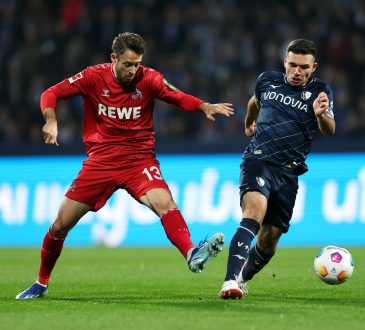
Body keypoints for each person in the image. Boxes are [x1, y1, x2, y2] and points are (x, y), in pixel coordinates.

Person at [16, 32, 234, 299]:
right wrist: (50, 119)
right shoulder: (93, 77)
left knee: (165, 204)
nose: (133, 70)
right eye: (128, 64)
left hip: (138, 159)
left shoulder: (150, 78)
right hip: (101, 161)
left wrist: (203, 106)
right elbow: (51, 93)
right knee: (60, 225)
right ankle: (41, 283)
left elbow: (177, 96)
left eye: (137, 64)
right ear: (113, 59)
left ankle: (191, 253)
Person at [218, 39, 335, 300]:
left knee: (268, 243)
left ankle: (242, 277)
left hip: (289, 173)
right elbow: (253, 102)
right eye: (292, 64)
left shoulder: (320, 92)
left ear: (313, 67)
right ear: (284, 62)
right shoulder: (267, 80)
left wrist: (320, 115)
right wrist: (249, 124)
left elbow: (330, 129)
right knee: (253, 214)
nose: (296, 71)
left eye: (303, 67)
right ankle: (228, 282)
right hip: (258, 160)